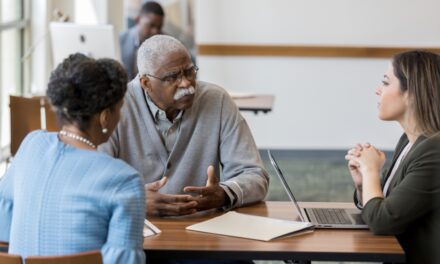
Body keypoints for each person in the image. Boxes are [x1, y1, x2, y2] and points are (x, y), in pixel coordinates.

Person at [99, 35, 269, 217]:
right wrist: (134, 200)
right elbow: (91, 184)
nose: (186, 83)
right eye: (172, 77)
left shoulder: (217, 100)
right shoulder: (116, 106)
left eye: (189, 71)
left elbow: (254, 175)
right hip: (136, 228)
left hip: (202, 229)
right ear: (146, 83)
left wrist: (224, 194)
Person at [0, 54, 145, 263]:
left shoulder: (32, 144)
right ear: (105, 116)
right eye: (120, 108)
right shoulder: (124, 180)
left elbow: (4, 221)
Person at [345, 50, 440, 264]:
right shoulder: (408, 140)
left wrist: (370, 170)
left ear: (412, 93)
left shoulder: (434, 151)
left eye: (386, 83)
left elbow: (382, 222)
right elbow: (388, 204)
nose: (377, 90)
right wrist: (363, 185)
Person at [120, 1, 164, 80]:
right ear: (138, 20)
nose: (156, 31)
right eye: (151, 25)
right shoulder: (120, 41)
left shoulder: (166, 42)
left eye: (159, 27)